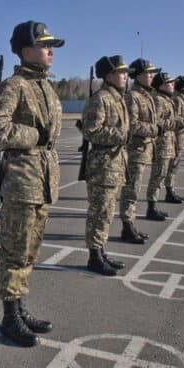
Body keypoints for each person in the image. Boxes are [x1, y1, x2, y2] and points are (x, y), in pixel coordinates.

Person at [0, 21, 64, 348]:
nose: (51, 50)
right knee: (15, 251)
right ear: (27, 51)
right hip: (21, 182)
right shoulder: (14, 86)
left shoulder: (44, 85)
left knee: (30, 250)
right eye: (45, 45)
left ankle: (20, 306)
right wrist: (31, 136)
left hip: (42, 180)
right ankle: (9, 317)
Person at [81, 55, 130, 276]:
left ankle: (101, 251)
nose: (125, 76)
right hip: (102, 166)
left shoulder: (117, 98)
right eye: (121, 72)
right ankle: (94, 256)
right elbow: (91, 130)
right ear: (109, 75)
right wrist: (122, 135)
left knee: (107, 212)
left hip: (114, 164)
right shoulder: (101, 99)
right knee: (99, 212)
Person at [118, 58, 160, 245]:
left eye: (152, 73)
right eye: (148, 73)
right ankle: (127, 227)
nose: (151, 76)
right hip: (134, 151)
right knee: (131, 190)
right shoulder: (133, 96)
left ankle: (131, 225)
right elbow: (132, 125)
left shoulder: (146, 95)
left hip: (143, 150)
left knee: (135, 190)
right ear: (138, 75)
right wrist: (155, 129)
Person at [145, 72, 177, 220]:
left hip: (168, 143)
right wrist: (173, 123)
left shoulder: (167, 100)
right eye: (169, 82)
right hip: (161, 144)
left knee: (162, 175)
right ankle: (151, 208)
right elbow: (156, 121)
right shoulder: (159, 100)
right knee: (157, 176)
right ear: (161, 85)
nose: (172, 85)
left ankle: (154, 205)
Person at [165, 75, 184, 204]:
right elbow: (175, 118)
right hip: (177, 137)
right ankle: (169, 191)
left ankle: (171, 189)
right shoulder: (178, 100)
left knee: (175, 165)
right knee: (172, 166)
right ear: (183, 87)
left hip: (182, 137)